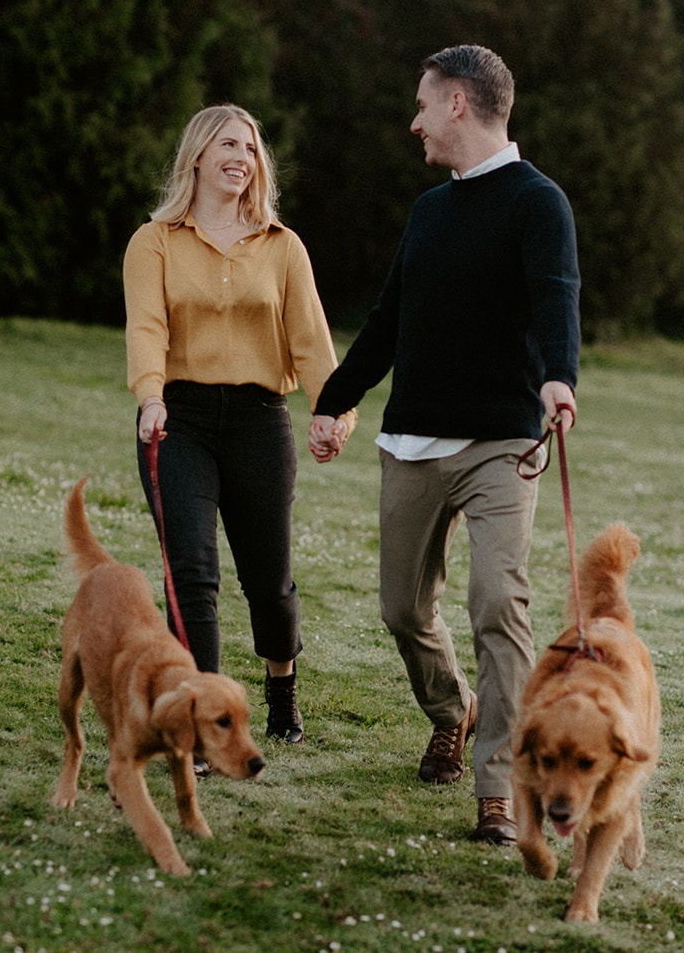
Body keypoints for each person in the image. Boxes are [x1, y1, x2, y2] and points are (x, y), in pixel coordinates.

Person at [309, 45, 581, 844]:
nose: (415, 120)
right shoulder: (429, 211)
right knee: (402, 607)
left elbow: (556, 296)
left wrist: (559, 377)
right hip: (411, 442)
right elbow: (390, 317)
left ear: (459, 104)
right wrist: (334, 398)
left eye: (424, 104)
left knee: (499, 603)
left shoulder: (539, 203)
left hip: (501, 442)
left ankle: (498, 790)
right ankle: (453, 709)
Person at [123, 104, 356, 757]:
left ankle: (281, 687)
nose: (242, 157)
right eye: (228, 144)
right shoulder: (155, 241)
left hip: (259, 424)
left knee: (269, 582)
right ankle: (200, 716)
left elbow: (311, 342)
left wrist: (334, 411)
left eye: (251, 149)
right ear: (196, 154)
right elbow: (146, 326)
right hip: (179, 421)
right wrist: (149, 397)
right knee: (191, 574)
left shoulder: (281, 245)